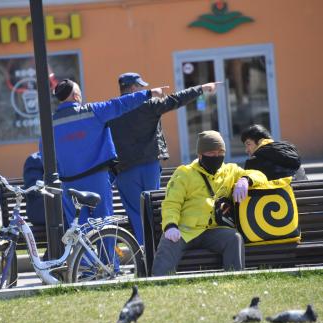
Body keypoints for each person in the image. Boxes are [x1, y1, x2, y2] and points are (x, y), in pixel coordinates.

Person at [108, 72, 222, 245]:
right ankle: (158, 251)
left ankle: (143, 255)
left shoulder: (112, 108)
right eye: (140, 86)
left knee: (136, 214)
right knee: (153, 210)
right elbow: (176, 99)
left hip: (124, 170)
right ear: (132, 88)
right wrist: (201, 89)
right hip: (149, 167)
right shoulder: (148, 105)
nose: (144, 89)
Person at [49, 79, 167, 226]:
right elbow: (119, 104)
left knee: (78, 228)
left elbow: (45, 156)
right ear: (76, 96)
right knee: (104, 226)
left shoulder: (50, 124)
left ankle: (84, 250)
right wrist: (148, 93)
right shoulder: (92, 111)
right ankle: (107, 250)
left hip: (68, 182)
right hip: (96, 179)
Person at [151, 130, 268, 276]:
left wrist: (246, 180)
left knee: (234, 238)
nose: (216, 156)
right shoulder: (184, 173)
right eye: (211, 153)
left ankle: (235, 280)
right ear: (200, 155)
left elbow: (260, 175)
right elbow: (171, 203)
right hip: (185, 230)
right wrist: (170, 225)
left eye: (220, 152)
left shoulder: (230, 170)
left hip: (214, 230)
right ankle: (158, 284)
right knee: (168, 243)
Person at [241, 124, 307, 181]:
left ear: (260, 141)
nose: (246, 150)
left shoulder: (253, 162)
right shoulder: (292, 155)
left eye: (248, 144)